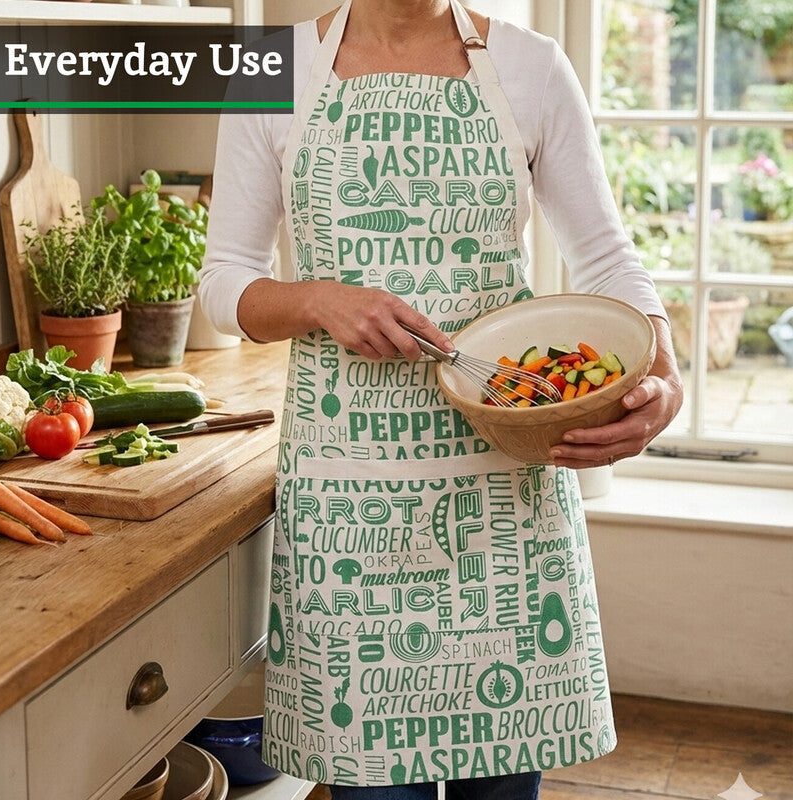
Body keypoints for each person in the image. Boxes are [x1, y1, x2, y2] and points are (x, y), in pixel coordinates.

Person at [199, 1, 684, 797]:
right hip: (352, 507)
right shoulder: (271, 73)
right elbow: (224, 283)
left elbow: (604, 256)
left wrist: (665, 374)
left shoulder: (531, 66)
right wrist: (318, 299)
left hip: (505, 494)